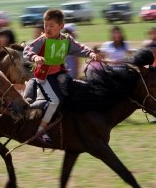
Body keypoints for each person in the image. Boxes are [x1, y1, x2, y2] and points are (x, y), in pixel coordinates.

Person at [23, 8, 100, 143]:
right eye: (46, 25)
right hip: (44, 76)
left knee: (80, 91)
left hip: (61, 74)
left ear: (61, 26)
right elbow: (27, 49)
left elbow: (80, 47)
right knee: (55, 101)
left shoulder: (66, 40)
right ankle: (40, 130)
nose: (47, 29)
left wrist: (90, 53)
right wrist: (34, 57)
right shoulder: (42, 40)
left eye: (51, 26)